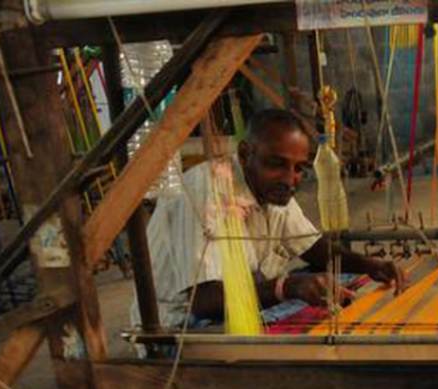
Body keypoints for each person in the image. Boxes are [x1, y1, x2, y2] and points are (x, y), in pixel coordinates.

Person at [131, 108, 405, 329]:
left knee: (327, 284)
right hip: (180, 327)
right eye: (277, 164)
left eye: (299, 169)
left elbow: (312, 247)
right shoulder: (209, 191)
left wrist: (369, 265)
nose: (290, 179)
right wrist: (286, 287)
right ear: (245, 154)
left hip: (225, 310)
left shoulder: (274, 191)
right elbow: (204, 301)